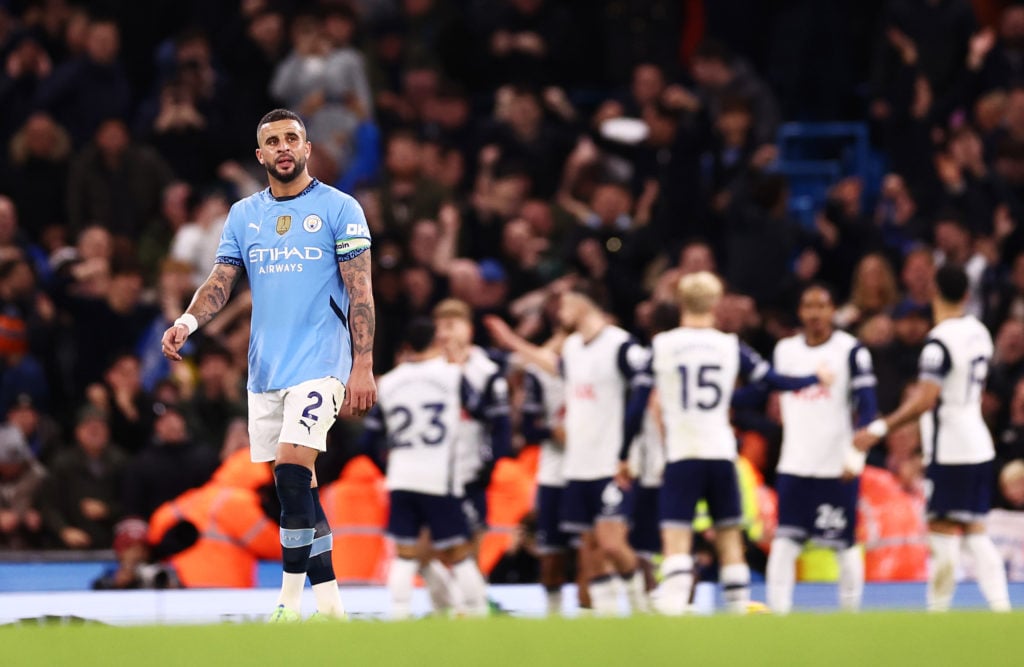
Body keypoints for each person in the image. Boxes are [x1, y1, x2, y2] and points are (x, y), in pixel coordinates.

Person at [160, 108, 377, 623]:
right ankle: (332, 611)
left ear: (306, 148)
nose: (283, 147)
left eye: (292, 139)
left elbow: (360, 288)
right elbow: (220, 281)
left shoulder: (340, 208)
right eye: (272, 141)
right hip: (266, 370)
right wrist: (187, 323)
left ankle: (288, 602)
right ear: (260, 155)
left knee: (289, 470)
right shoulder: (243, 215)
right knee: (300, 488)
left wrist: (362, 363)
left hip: (322, 363)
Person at [646, 272, 829, 615]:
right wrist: (814, 378)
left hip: (683, 451)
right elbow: (770, 381)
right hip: (721, 451)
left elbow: (640, 396)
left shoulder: (662, 345)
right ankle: (735, 610)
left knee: (677, 536)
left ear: (681, 302)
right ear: (715, 303)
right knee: (730, 535)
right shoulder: (730, 345)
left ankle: (672, 607)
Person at [485, 280, 651, 616]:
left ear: (583, 302)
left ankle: (641, 608)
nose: (560, 311)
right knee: (589, 548)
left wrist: (630, 451)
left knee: (611, 543)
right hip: (577, 467)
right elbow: (552, 365)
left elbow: (646, 386)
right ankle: (603, 619)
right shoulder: (573, 348)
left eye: (565, 303)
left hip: (609, 464)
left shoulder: (620, 345)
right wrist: (512, 342)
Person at [854, 265, 1012, 612]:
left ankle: (937, 612)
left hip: (951, 448)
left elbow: (925, 400)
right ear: (967, 295)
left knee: (942, 533)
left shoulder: (938, 343)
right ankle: (1002, 607)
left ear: (933, 294)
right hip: (979, 443)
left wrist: (881, 427)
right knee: (975, 532)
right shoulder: (979, 332)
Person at [360, 318, 490, 619]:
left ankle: (399, 616)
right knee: (459, 554)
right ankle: (478, 612)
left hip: (402, 477)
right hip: (439, 478)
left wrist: (388, 467)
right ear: (435, 343)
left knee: (405, 556)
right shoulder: (452, 376)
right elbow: (483, 410)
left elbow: (368, 441)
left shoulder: (389, 382)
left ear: (406, 346)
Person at [765, 284, 879, 614]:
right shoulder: (785, 350)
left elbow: (867, 407)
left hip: (835, 466)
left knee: (844, 544)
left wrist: (857, 455)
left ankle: (849, 614)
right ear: (800, 312)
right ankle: (778, 614)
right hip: (795, 465)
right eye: (808, 307)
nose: (815, 314)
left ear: (832, 311)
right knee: (785, 543)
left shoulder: (851, 350)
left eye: (822, 306)